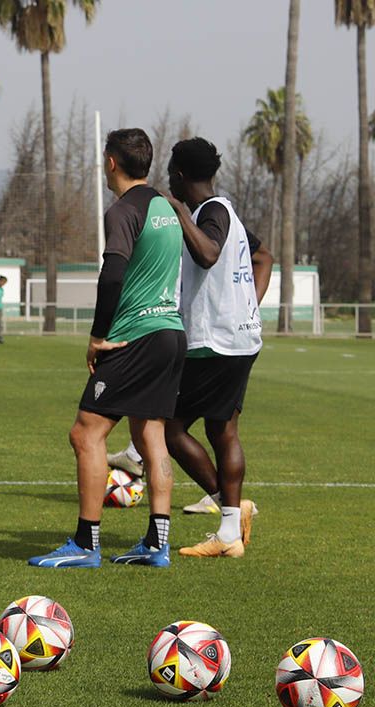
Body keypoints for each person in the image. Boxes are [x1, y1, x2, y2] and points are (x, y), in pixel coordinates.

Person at [29, 128, 186, 569]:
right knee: (150, 435)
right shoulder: (166, 208)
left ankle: (85, 543)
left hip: (134, 334)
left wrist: (97, 335)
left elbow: (113, 273)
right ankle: (157, 544)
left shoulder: (122, 211)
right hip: (171, 333)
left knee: (86, 433)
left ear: (111, 163)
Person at [164, 137, 272, 557]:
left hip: (216, 345)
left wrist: (177, 213)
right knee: (222, 430)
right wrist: (247, 306)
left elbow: (208, 253)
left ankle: (231, 508)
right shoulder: (227, 211)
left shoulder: (211, 212)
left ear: (178, 175)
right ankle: (229, 532)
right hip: (238, 337)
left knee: (172, 428)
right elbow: (265, 257)